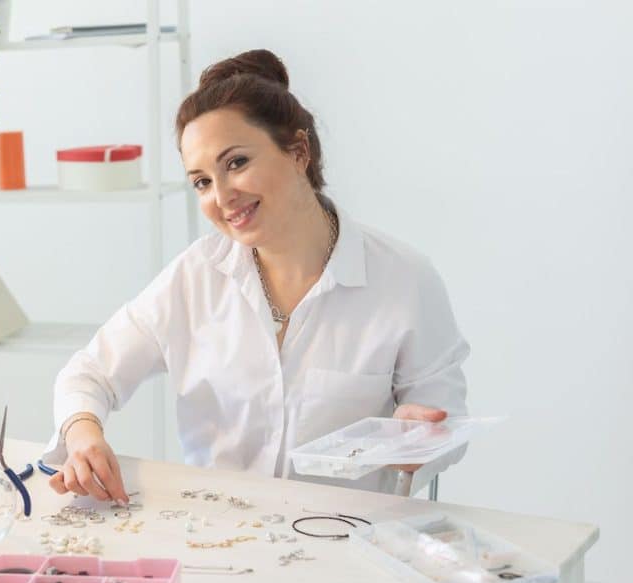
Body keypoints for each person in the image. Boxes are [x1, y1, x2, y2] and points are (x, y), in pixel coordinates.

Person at [42, 49, 469, 503]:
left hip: (346, 540)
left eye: (236, 163)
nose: (223, 196)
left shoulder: (404, 279)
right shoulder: (194, 278)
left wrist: (416, 438)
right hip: (218, 535)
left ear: (298, 151)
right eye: (202, 181)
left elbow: (448, 426)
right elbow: (88, 374)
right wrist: (84, 435)